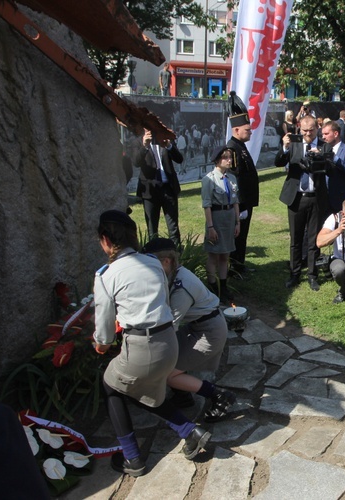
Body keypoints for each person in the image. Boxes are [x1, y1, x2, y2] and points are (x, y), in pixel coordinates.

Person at [93, 210, 210, 477]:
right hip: (168, 342)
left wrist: (100, 344)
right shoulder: (152, 262)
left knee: (112, 387)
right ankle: (189, 431)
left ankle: (132, 458)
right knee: (142, 390)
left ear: (105, 240)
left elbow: (104, 330)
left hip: (141, 346)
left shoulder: (106, 275)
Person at [141, 238, 236, 422]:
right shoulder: (173, 274)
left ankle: (219, 395)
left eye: (150, 263)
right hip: (199, 326)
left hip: (209, 332)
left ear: (166, 261)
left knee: (167, 374)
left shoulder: (182, 287)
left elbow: (168, 327)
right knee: (169, 360)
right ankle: (183, 395)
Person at [277, 116, 326, 291]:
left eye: (311, 130)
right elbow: (278, 162)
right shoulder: (294, 144)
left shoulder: (323, 145)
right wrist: (284, 147)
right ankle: (294, 274)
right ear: (299, 128)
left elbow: (330, 166)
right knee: (295, 239)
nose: (307, 133)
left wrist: (322, 157)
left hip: (316, 198)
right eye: (304, 130)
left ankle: (312, 275)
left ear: (317, 128)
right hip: (296, 198)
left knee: (313, 239)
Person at [225, 93, 260, 276]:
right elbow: (234, 180)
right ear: (236, 130)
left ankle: (239, 264)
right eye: (247, 130)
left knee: (243, 235)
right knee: (238, 235)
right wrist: (241, 205)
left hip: (246, 202)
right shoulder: (232, 148)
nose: (251, 132)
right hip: (241, 203)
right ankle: (234, 266)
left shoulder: (241, 146)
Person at [201, 146, 240, 300]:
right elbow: (207, 204)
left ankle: (223, 287)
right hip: (216, 218)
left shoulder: (232, 178)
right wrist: (211, 227)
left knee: (225, 254)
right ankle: (211, 286)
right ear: (217, 160)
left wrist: (238, 222)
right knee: (213, 255)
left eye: (230, 157)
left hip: (229, 218)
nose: (229, 160)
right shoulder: (209, 179)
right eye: (225, 157)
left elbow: (236, 201)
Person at [134, 128, 184, 248]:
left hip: (168, 189)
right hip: (150, 191)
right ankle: (154, 257)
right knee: (152, 228)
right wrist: (144, 146)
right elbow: (136, 162)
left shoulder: (165, 138)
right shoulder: (138, 141)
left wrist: (169, 145)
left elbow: (179, 159)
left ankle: (176, 256)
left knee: (173, 227)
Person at [321, 120, 345, 214]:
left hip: (342, 199)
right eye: (322, 134)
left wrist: (336, 159)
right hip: (325, 199)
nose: (323, 137)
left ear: (335, 133)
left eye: (326, 134)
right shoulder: (322, 149)